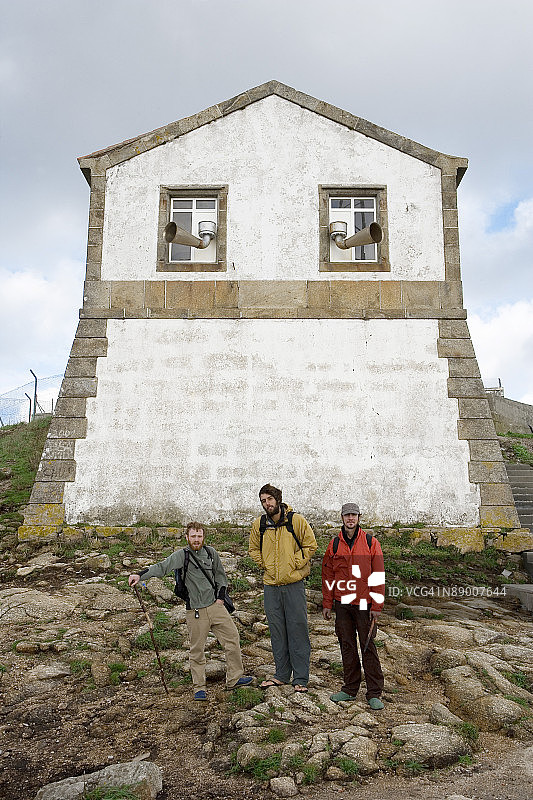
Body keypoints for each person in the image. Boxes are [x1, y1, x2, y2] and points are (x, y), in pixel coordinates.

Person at [128, 521, 253, 701]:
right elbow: (162, 567)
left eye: (199, 536)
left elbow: (220, 576)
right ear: (187, 537)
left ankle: (234, 678)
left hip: (216, 607)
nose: (196, 539)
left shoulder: (211, 553)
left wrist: (220, 597)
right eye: (193, 536)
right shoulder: (182, 556)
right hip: (195, 611)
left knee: (232, 639)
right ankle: (199, 688)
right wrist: (139, 574)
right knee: (197, 650)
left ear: (203, 537)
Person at [249, 483, 317, 692]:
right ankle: (281, 674)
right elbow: (253, 549)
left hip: (294, 584)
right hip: (271, 586)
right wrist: (266, 565)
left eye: (269, 499)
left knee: (297, 629)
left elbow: (310, 544)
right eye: (263, 501)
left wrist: (295, 563)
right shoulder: (259, 524)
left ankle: (301, 678)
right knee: (277, 631)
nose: (266, 504)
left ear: (278, 499)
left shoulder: (296, 521)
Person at [322, 502, 385, 709]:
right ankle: (350, 689)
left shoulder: (370, 542)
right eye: (347, 515)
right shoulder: (333, 545)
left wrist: (377, 605)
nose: (351, 518)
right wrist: (327, 603)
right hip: (342, 603)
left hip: (365, 604)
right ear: (341, 517)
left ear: (359, 517)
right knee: (347, 646)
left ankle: (374, 692)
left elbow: (378, 575)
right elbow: (328, 575)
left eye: (354, 515)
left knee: (367, 647)